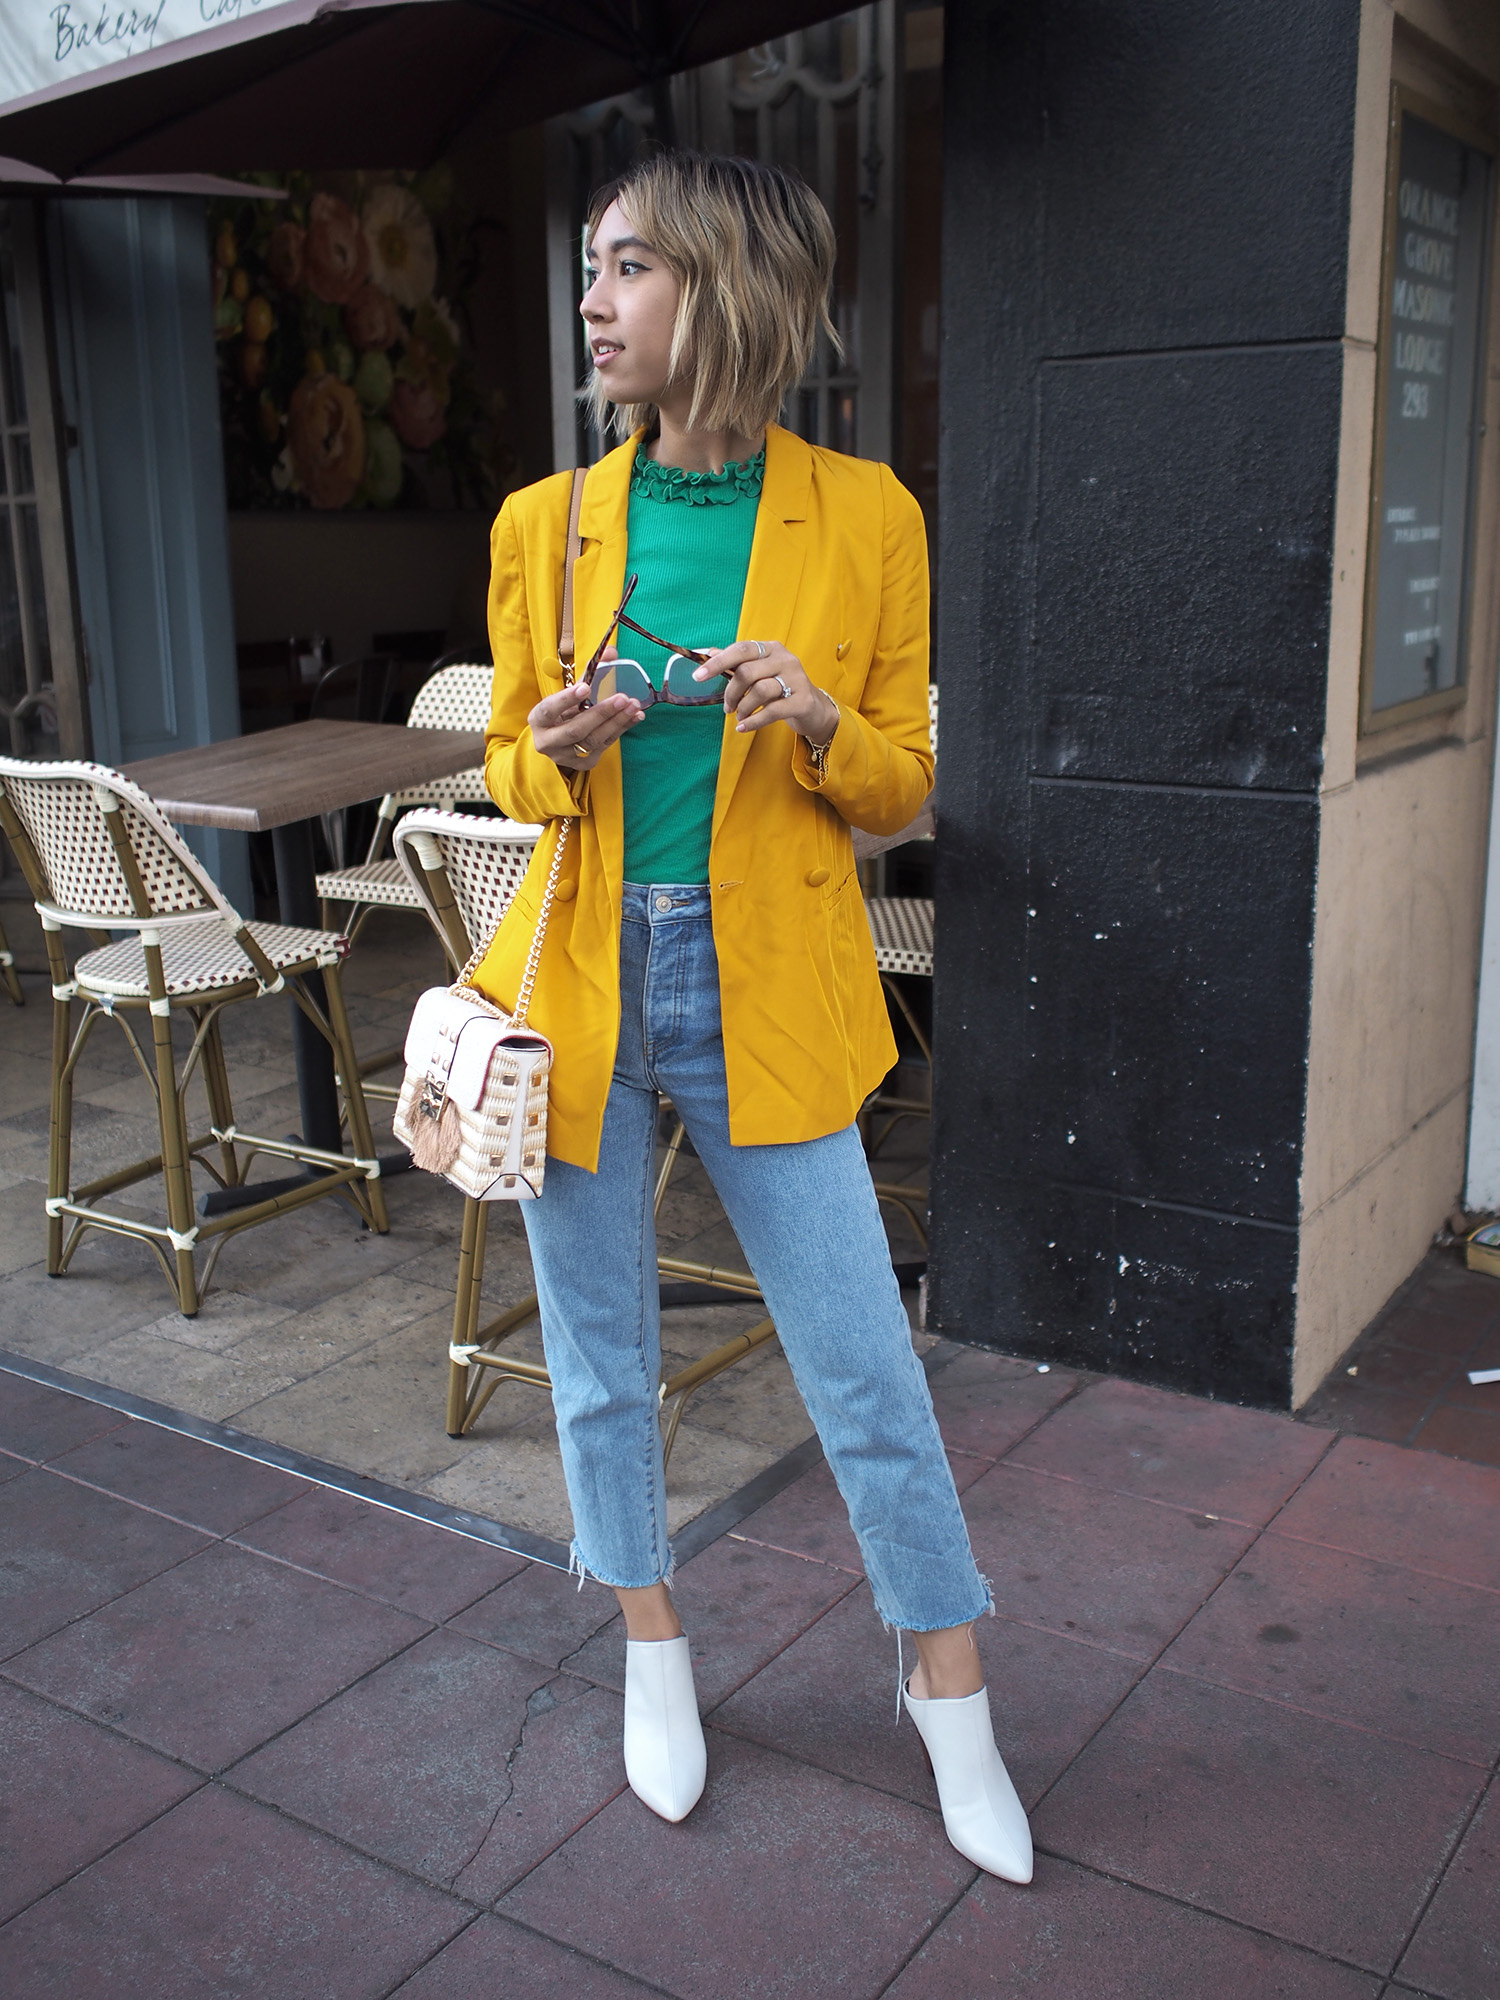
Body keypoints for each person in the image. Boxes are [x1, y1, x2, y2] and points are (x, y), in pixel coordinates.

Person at [476, 150, 1030, 1884]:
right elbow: (500, 760)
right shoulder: (542, 521)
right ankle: (653, 1642)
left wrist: (812, 722)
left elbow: (903, 794)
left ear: (728, 293)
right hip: (583, 983)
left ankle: (953, 1694)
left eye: (628, 267)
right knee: (599, 1357)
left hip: (768, 980)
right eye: (592, 266)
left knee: (863, 1363)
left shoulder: (867, 515)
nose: (594, 300)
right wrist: (550, 753)